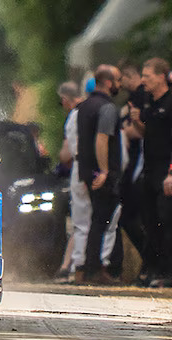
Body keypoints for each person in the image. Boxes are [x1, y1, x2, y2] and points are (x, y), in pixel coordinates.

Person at [75, 64, 124, 285]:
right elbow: (102, 139)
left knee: (95, 219)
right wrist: (105, 170)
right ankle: (96, 268)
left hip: (86, 170)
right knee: (102, 220)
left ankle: (89, 266)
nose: (119, 85)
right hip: (101, 173)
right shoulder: (107, 108)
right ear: (108, 82)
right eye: (118, 80)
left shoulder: (84, 107)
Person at [129, 57, 172, 287]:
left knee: (166, 219)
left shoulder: (170, 101)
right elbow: (147, 133)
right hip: (149, 167)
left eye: (147, 76)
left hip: (166, 168)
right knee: (149, 218)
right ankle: (155, 268)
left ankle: (168, 271)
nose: (143, 80)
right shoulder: (148, 101)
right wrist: (136, 122)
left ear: (161, 76)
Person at [55, 81, 88, 283]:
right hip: (96, 169)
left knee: (80, 222)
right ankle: (68, 265)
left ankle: (74, 266)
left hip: (80, 168)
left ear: (65, 99)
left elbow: (66, 154)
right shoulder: (94, 110)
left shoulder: (74, 116)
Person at [118, 61, 147, 263]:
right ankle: (149, 260)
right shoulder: (133, 99)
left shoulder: (143, 97)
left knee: (134, 215)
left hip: (142, 161)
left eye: (121, 79)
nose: (119, 84)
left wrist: (126, 131)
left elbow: (141, 130)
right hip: (133, 163)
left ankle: (152, 260)